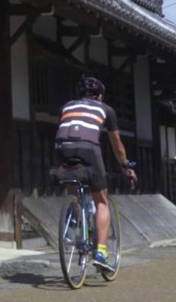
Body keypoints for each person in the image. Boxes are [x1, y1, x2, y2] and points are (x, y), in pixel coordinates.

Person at [55, 74, 136, 272]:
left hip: (61, 147)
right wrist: (125, 165)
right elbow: (117, 146)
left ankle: (72, 218)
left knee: (74, 182)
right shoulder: (105, 109)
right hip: (88, 149)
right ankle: (101, 253)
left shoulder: (67, 106)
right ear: (99, 96)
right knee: (102, 201)